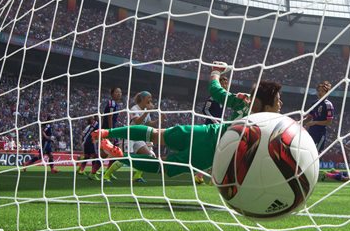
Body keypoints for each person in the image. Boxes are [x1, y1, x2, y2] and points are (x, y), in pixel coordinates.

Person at [91, 62, 278, 179]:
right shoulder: (265, 125)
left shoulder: (244, 100)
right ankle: (121, 157)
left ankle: (107, 133)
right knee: (163, 165)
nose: (281, 103)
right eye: (277, 100)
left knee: (157, 135)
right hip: (212, 149)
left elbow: (216, 91)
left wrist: (215, 73)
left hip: (205, 131)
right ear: (266, 106)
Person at [128, 91, 159, 183]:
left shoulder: (146, 110)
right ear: (142, 98)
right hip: (129, 136)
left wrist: (159, 119)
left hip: (138, 137)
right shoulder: (134, 108)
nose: (150, 100)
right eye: (149, 97)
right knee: (125, 158)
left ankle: (137, 176)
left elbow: (149, 123)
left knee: (148, 155)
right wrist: (147, 112)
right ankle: (106, 175)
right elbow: (137, 122)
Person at [304, 81, 335, 153]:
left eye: (322, 91)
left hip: (320, 133)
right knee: (308, 151)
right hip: (311, 131)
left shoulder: (328, 105)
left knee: (316, 153)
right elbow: (309, 117)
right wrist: (300, 122)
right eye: (318, 91)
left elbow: (329, 122)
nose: (320, 93)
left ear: (327, 92)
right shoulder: (314, 103)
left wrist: (315, 122)